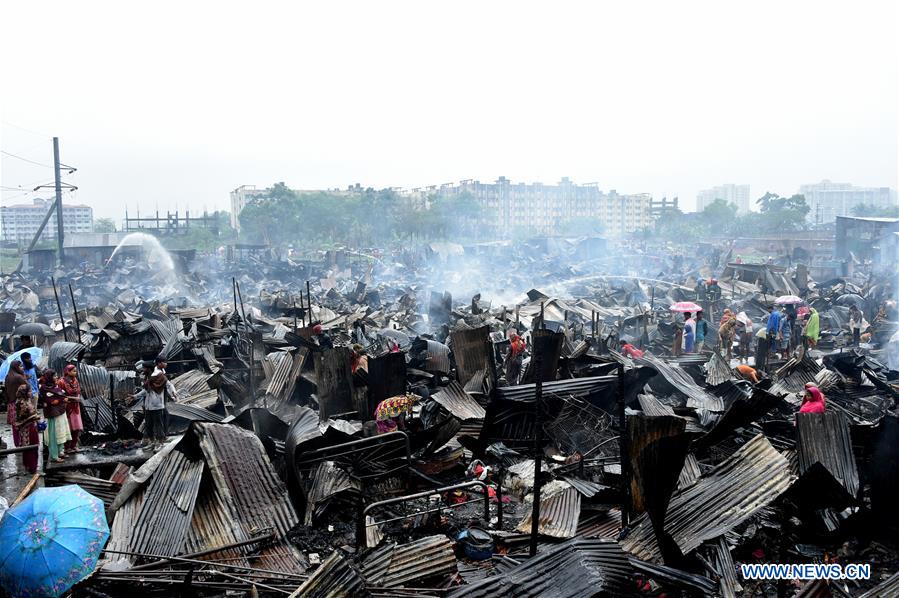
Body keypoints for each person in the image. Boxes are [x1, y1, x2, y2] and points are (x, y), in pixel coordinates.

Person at [130, 367, 179, 450]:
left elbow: (169, 385)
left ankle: (160, 443)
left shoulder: (160, 378)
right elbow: (145, 391)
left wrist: (174, 393)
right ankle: (152, 443)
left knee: (158, 426)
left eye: (144, 368)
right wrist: (135, 396)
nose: (143, 370)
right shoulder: (148, 380)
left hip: (157, 407)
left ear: (149, 369)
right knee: (148, 426)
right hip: (149, 407)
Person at [38, 369, 71, 463]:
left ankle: (61, 451)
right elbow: (51, 401)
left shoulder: (55, 387)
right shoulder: (44, 388)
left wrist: (61, 399)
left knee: (61, 432)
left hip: (60, 412)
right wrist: (61, 399)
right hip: (52, 414)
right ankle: (54, 456)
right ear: (49, 377)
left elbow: (62, 396)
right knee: (54, 435)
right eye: (54, 376)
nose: (56, 377)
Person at [14, 383, 40, 473]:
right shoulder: (21, 403)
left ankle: (32, 466)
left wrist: (35, 417)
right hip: (26, 428)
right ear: (24, 392)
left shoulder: (27, 400)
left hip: (32, 426)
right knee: (30, 446)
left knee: (34, 446)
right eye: (29, 391)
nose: (31, 392)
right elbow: (21, 418)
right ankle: (31, 467)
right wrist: (33, 417)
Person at [58, 364, 83, 452]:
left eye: (75, 371)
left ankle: (74, 445)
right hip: (67, 407)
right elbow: (60, 395)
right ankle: (67, 447)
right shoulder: (61, 382)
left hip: (76, 406)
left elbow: (78, 390)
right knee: (68, 427)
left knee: (76, 427)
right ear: (67, 372)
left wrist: (78, 397)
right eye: (73, 371)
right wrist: (73, 398)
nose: (75, 373)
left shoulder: (75, 380)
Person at [4, 360, 27, 446]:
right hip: (20, 404)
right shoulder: (19, 377)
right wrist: (24, 376)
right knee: (23, 424)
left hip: (11, 404)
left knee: (15, 426)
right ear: (16, 368)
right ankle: (23, 442)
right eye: (20, 366)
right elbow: (27, 388)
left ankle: (17, 443)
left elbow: (5, 391)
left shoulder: (7, 376)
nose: (22, 368)